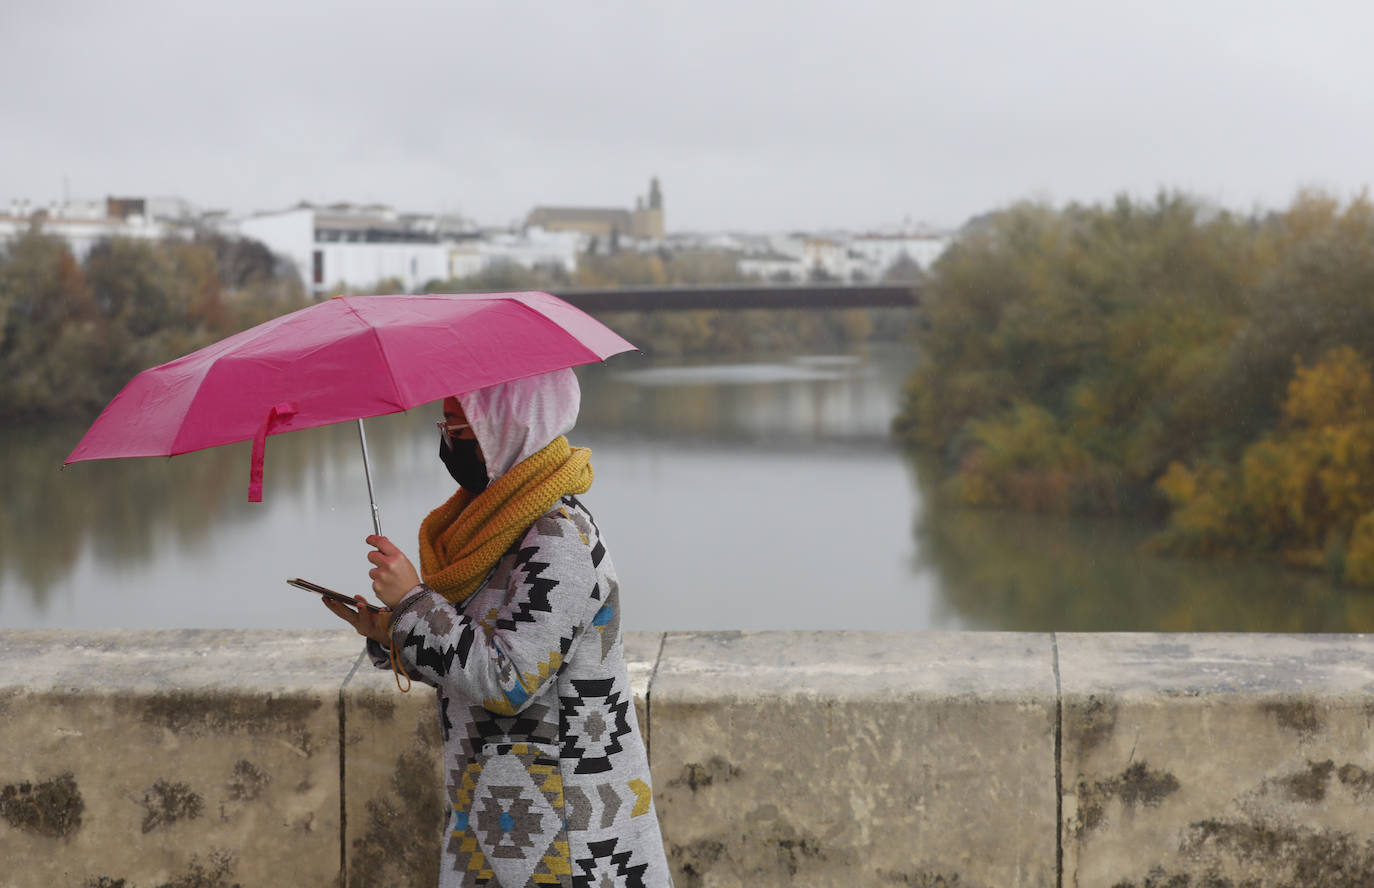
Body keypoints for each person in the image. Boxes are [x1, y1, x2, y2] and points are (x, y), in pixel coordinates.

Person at [324, 368, 673, 888]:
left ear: (511, 427)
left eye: (461, 429)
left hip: (570, 832)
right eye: (444, 428)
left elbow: (508, 681)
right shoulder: (493, 527)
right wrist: (390, 629)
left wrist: (415, 602)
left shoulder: (558, 538)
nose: (449, 443)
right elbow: (472, 655)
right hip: (497, 815)